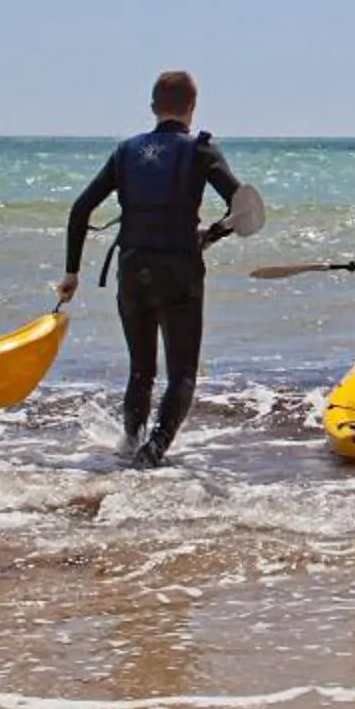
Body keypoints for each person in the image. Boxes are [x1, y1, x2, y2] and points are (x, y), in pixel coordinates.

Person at [55, 69, 251, 467]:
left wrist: (72, 273)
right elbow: (243, 205)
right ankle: (154, 451)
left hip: (132, 268)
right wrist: (212, 234)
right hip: (179, 268)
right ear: (192, 108)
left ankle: (129, 445)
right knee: (181, 374)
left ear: (152, 107)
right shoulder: (201, 149)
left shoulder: (126, 151)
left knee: (141, 370)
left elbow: (80, 209)